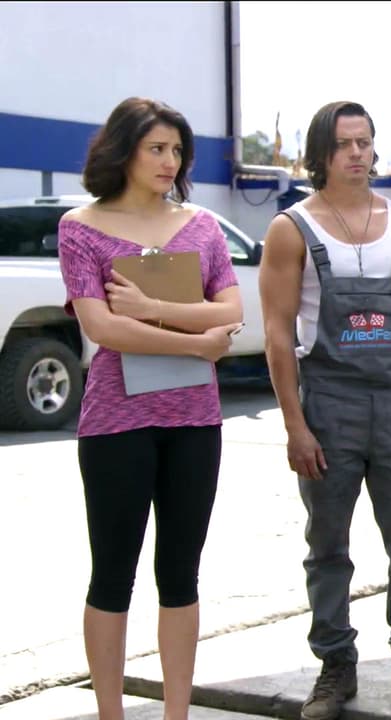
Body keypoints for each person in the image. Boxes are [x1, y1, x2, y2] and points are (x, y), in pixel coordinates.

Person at [258, 100, 391, 719]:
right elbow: (278, 334)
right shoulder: (292, 228)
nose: (358, 154)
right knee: (328, 545)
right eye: (345, 144)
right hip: (330, 403)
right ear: (322, 153)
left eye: (366, 142)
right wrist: (295, 423)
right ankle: (335, 665)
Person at [57, 96, 243, 720]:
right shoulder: (80, 227)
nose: (171, 161)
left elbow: (232, 314)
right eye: (157, 149)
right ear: (124, 151)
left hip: (195, 423)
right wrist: (196, 342)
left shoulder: (203, 227)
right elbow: (103, 329)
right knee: (112, 575)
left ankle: (176, 713)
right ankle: (111, 713)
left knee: (181, 576)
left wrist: (152, 310)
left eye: (177, 150)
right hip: (116, 425)